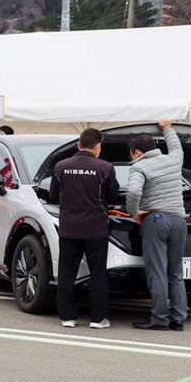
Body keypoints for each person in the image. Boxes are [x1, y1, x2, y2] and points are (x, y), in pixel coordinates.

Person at [49, 127, 119, 329]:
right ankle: (98, 319)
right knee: (97, 273)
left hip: (69, 228)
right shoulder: (105, 168)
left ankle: (67, 317)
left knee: (67, 273)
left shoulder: (61, 167)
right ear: (98, 146)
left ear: (78, 144)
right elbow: (113, 196)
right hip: (96, 229)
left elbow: (53, 195)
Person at [127, 119, 187, 331]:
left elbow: (134, 192)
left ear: (136, 152)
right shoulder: (173, 159)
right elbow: (177, 146)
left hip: (156, 221)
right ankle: (178, 318)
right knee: (176, 272)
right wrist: (168, 128)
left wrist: (134, 212)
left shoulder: (140, 167)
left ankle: (159, 318)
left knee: (158, 272)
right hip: (179, 221)